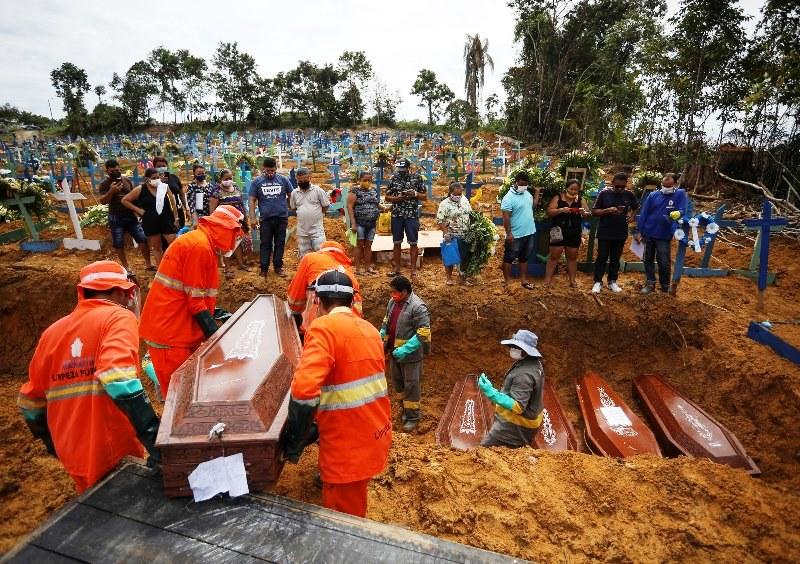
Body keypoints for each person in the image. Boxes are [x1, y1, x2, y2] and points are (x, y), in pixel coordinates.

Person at [17, 260, 160, 492]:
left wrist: (52, 443)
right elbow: (117, 377)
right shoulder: (118, 318)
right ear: (119, 291)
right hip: (111, 446)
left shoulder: (52, 332)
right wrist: (153, 436)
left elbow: (30, 403)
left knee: (94, 514)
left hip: (71, 452)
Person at [280, 269, 391, 518]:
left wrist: (294, 442)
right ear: (352, 301)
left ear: (317, 300)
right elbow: (351, 381)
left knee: (344, 521)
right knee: (353, 500)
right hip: (375, 433)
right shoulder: (370, 331)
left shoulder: (323, 329)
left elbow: (303, 390)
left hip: (347, 449)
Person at [139, 205, 244, 395]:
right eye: (235, 235)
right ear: (224, 228)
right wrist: (217, 339)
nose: (235, 241)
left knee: (186, 395)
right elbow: (195, 302)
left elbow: (195, 294)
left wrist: (215, 313)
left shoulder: (200, 243)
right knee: (180, 398)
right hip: (171, 335)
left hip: (176, 329)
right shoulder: (199, 247)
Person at [379, 276, 431, 432]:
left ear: (404, 292)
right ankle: (405, 410)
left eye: (395, 292)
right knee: (399, 384)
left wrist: (406, 349)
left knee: (411, 386)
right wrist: (382, 334)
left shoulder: (418, 307)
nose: (392, 295)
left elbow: (423, 332)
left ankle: (413, 417)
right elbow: (387, 321)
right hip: (395, 353)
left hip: (411, 356)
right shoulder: (392, 302)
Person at [478, 329, 544, 448]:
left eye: (517, 347)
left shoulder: (524, 375)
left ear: (527, 351)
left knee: (483, 452)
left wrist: (491, 392)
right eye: (513, 346)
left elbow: (517, 406)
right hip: (529, 419)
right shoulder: (533, 363)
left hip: (516, 425)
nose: (513, 349)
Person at [286, 241, 362, 336]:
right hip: (353, 330)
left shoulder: (311, 259)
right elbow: (358, 312)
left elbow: (294, 301)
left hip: (317, 329)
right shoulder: (350, 275)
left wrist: (297, 315)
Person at [635, 173, 687, 293]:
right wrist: (638, 230)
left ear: (675, 184)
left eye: (668, 186)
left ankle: (665, 285)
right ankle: (650, 283)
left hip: (664, 234)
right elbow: (644, 213)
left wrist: (679, 213)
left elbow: (683, 209)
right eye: (663, 185)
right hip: (648, 232)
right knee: (647, 259)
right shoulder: (653, 195)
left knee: (663, 260)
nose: (665, 188)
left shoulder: (679, 194)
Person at [97, 158, 152, 273]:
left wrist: (138, 211)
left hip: (130, 216)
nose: (115, 173)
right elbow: (102, 201)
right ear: (107, 171)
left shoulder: (127, 180)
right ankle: (126, 267)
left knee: (142, 239)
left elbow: (134, 197)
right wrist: (111, 191)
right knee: (119, 243)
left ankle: (148, 264)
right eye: (111, 171)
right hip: (115, 217)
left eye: (116, 170)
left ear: (120, 169)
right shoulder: (105, 184)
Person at [121, 168, 179, 268]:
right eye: (153, 178)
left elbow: (173, 204)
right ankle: (162, 270)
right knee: (157, 248)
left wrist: (176, 218)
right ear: (147, 179)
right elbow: (124, 200)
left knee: (175, 246)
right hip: (150, 222)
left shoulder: (164, 187)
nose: (156, 179)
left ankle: (177, 267)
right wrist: (138, 210)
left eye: (158, 177)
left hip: (166, 219)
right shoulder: (140, 189)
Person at [591, 172, 639, 293]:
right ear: (613, 183)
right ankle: (597, 282)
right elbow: (595, 211)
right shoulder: (604, 193)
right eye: (617, 186)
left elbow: (636, 206)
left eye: (622, 187)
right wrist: (607, 210)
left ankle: (612, 281)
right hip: (605, 231)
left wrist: (632, 217)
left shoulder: (629, 194)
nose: (620, 189)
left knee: (615, 258)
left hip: (620, 232)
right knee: (601, 257)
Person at [248, 157, 293, 278]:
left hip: (281, 217)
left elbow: (291, 194)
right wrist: (252, 217)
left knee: (280, 243)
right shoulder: (257, 182)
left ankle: (278, 266)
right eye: (267, 171)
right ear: (263, 168)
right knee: (265, 243)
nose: (269, 173)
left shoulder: (283, 180)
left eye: (272, 171)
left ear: (276, 169)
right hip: (266, 219)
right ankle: (264, 268)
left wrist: (290, 206)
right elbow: (252, 199)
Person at [543, 179, 591, 287]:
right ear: (566, 188)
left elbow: (587, 214)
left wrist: (584, 212)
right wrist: (561, 210)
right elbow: (549, 211)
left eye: (576, 190)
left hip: (574, 231)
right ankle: (547, 280)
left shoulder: (581, 199)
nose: (573, 191)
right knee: (554, 256)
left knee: (573, 256)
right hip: (558, 231)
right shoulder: (558, 198)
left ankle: (572, 281)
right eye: (571, 189)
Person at [385, 158, 426, 278]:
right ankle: (397, 268)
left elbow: (424, 197)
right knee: (396, 242)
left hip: (411, 215)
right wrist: (398, 198)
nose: (401, 171)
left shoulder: (417, 178)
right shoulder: (393, 178)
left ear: (409, 168)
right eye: (399, 169)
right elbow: (387, 197)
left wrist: (415, 194)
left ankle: (413, 270)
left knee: (413, 242)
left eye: (403, 169)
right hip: (397, 214)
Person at [500, 171, 540, 290]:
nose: (523, 186)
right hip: (515, 235)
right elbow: (506, 218)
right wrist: (509, 234)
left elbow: (532, 205)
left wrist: (537, 192)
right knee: (509, 258)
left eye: (526, 184)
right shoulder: (508, 198)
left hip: (529, 232)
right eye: (521, 184)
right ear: (515, 182)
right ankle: (507, 282)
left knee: (524, 257)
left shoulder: (527, 193)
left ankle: (524, 280)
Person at [210, 168, 250, 279]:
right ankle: (227, 269)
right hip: (224, 223)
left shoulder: (236, 188)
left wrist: (245, 218)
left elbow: (242, 204)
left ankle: (241, 264)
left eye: (230, 178)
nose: (228, 180)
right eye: (226, 178)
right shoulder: (216, 192)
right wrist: (216, 224)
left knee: (237, 243)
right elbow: (212, 210)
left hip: (237, 221)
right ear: (221, 179)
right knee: (225, 245)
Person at [436, 181, 474, 285]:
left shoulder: (465, 200)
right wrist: (445, 232)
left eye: (459, 194)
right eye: (455, 194)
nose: (458, 196)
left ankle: (463, 278)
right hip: (451, 235)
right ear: (450, 193)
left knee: (464, 256)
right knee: (450, 257)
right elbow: (440, 220)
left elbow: (470, 214)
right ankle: (449, 278)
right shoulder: (444, 204)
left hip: (465, 234)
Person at [289, 167, 330, 258]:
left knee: (321, 253)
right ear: (297, 179)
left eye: (305, 179)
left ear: (309, 178)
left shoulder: (318, 190)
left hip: (317, 230)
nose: (303, 181)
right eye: (300, 180)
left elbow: (326, 206)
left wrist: (318, 214)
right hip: (302, 231)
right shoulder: (294, 193)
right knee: (305, 257)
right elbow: (293, 208)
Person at [346, 170, 381, 275]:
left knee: (369, 245)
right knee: (359, 245)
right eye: (364, 180)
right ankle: (357, 269)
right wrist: (353, 223)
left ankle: (367, 267)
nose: (367, 182)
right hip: (359, 223)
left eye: (369, 180)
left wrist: (384, 208)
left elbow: (376, 204)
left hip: (371, 223)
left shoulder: (373, 190)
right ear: (359, 180)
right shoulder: (354, 191)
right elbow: (350, 207)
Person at [152, 156, 189, 229]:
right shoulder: (153, 180)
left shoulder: (174, 177)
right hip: (164, 212)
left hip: (178, 210)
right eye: (158, 166)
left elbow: (181, 194)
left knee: (180, 230)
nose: (161, 168)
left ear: (167, 166)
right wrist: (159, 182)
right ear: (154, 167)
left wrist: (186, 209)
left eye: (163, 166)